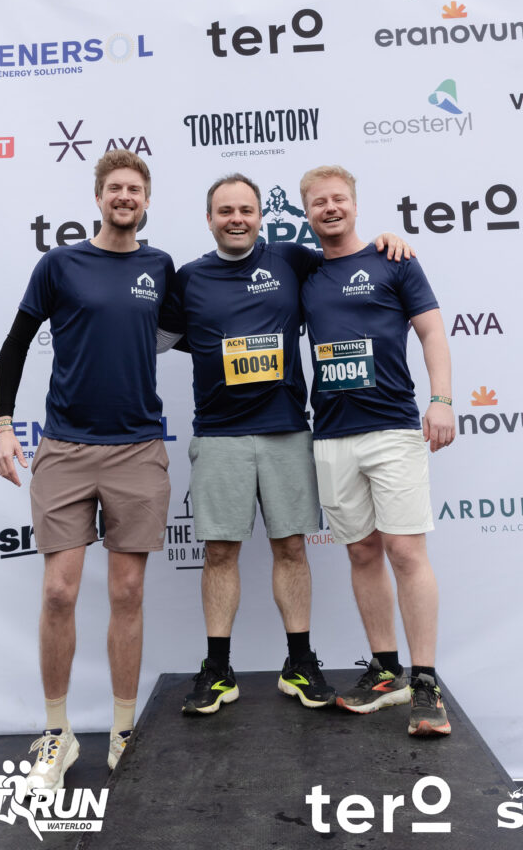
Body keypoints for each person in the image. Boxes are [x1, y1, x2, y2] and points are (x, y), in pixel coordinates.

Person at [169, 174, 411, 716]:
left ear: (261, 217)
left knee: (291, 548)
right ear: (209, 219)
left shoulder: (291, 260)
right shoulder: (190, 277)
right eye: (225, 211)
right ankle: (218, 670)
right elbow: (161, 338)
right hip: (219, 434)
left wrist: (386, 243)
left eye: (246, 210)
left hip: (286, 428)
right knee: (219, 552)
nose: (236, 219)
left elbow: (346, 263)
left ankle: (299, 663)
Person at [0, 149, 176, 784]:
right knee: (58, 592)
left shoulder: (159, 267)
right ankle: (57, 734)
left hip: (138, 448)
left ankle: (123, 732)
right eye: (114, 188)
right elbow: (16, 342)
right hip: (65, 449)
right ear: (98, 198)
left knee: (127, 592)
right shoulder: (60, 264)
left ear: (146, 201)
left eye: (135, 189)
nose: (125, 197)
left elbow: (185, 331)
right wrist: (2, 424)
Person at [299, 165, 455, 738]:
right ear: (306, 213)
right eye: (319, 202)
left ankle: (426, 680)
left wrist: (441, 399)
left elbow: (432, 331)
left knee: (406, 552)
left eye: (339, 198)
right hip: (331, 434)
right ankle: (387, 672)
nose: (330, 208)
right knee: (362, 553)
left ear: (355, 205)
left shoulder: (394, 259)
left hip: (391, 428)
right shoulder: (303, 272)